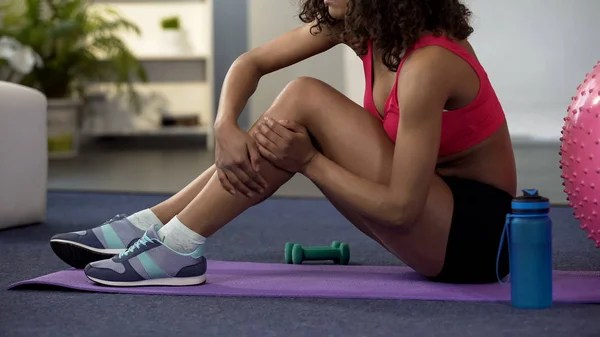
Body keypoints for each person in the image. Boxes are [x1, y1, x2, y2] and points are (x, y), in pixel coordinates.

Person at [49, 0, 517, 287]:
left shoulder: (428, 63)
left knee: (304, 98)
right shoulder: (362, 30)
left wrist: (310, 162)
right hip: (432, 214)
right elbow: (251, 62)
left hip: (476, 241)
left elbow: (399, 209)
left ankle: (172, 245)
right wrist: (224, 124)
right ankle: (158, 231)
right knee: (296, 108)